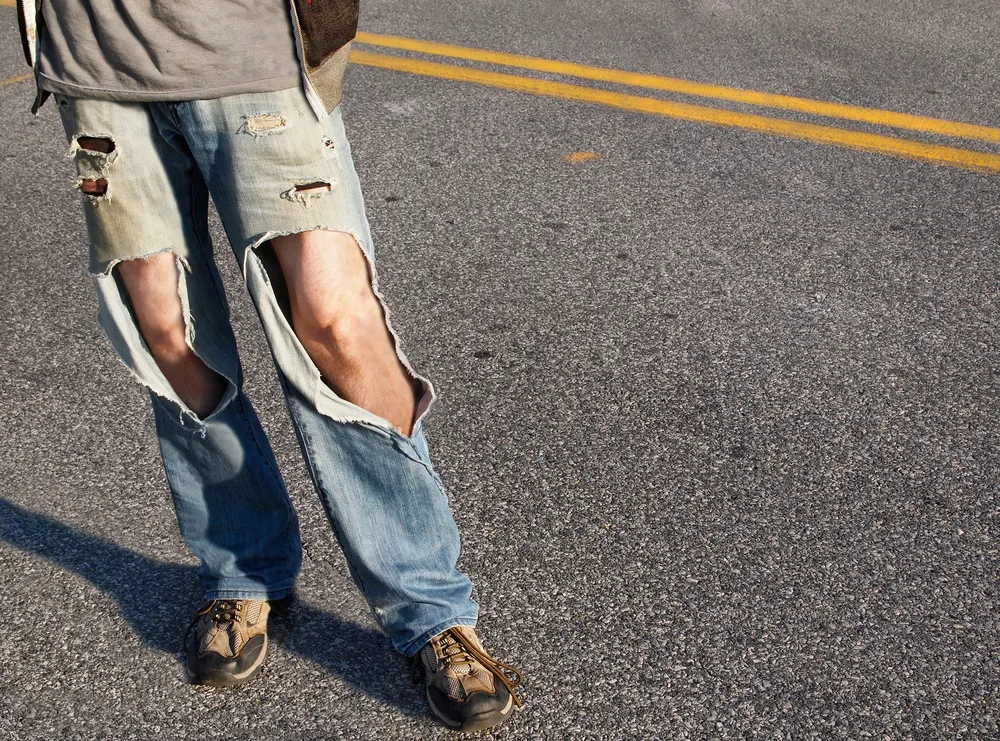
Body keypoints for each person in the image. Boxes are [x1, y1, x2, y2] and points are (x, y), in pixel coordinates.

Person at [16, 0, 523, 732]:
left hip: (253, 48)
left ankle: (431, 604)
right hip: (98, 61)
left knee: (336, 322)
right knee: (164, 329)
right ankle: (246, 566)